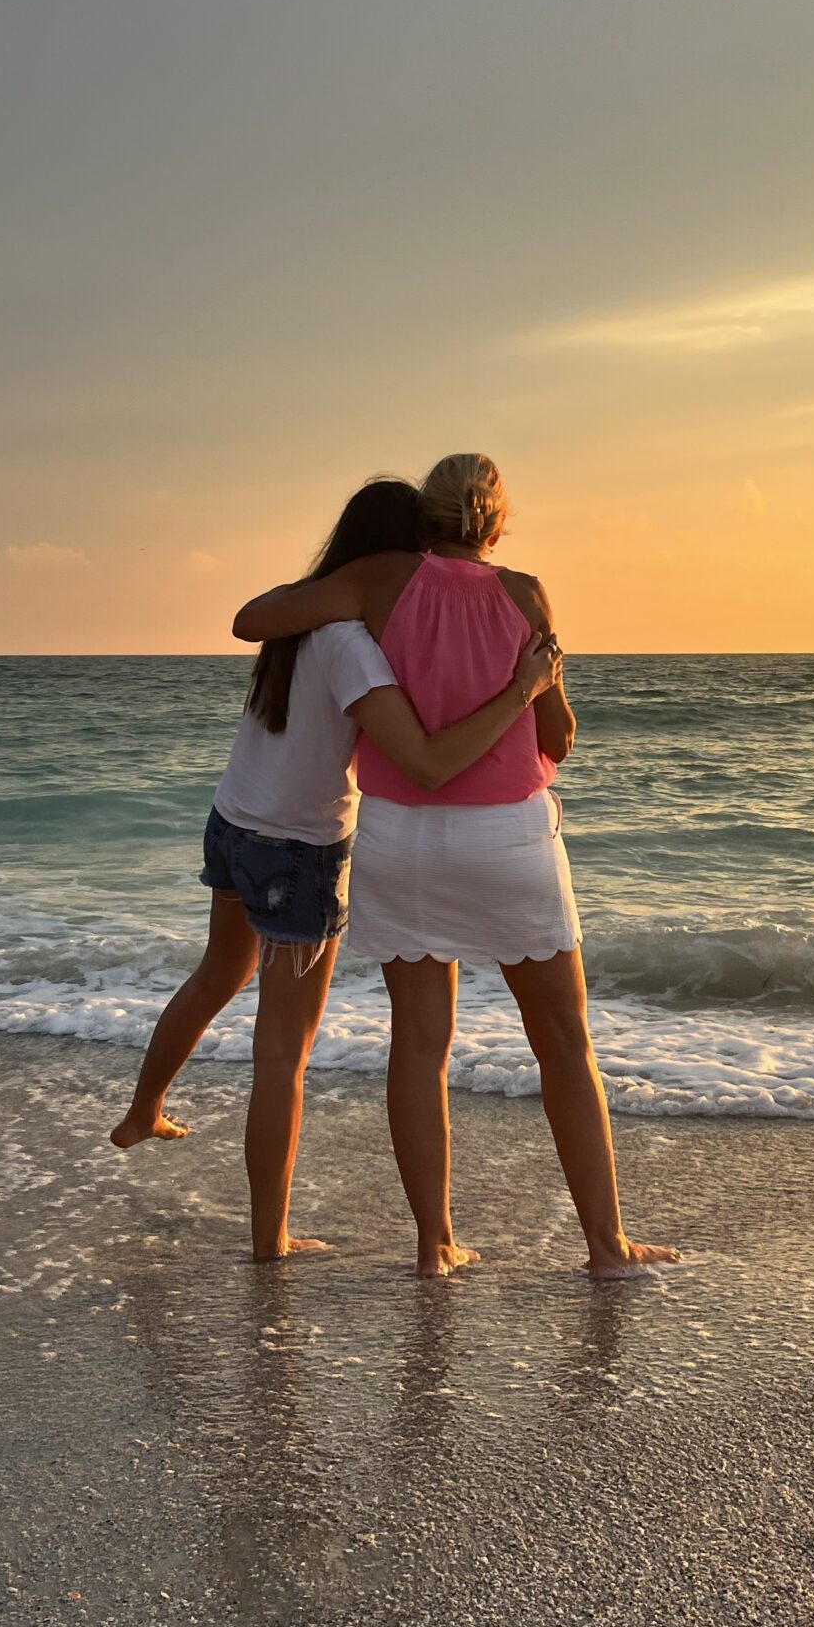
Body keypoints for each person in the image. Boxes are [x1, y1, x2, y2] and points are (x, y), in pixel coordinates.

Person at [233, 452, 678, 1280]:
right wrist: (533, 684)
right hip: (506, 837)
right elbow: (558, 740)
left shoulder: (377, 582)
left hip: (402, 837)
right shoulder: (526, 594)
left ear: (426, 517)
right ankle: (606, 1247)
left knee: (420, 1047)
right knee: (563, 1046)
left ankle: (435, 1245)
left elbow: (256, 620)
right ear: (498, 521)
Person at [111, 476, 560, 1263]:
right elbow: (420, 760)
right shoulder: (352, 644)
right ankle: (268, 1240)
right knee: (282, 1049)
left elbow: (253, 620)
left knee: (217, 975)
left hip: (235, 823)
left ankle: (144, 1108)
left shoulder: (300, 617)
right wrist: (523, 691)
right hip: (299, 851)